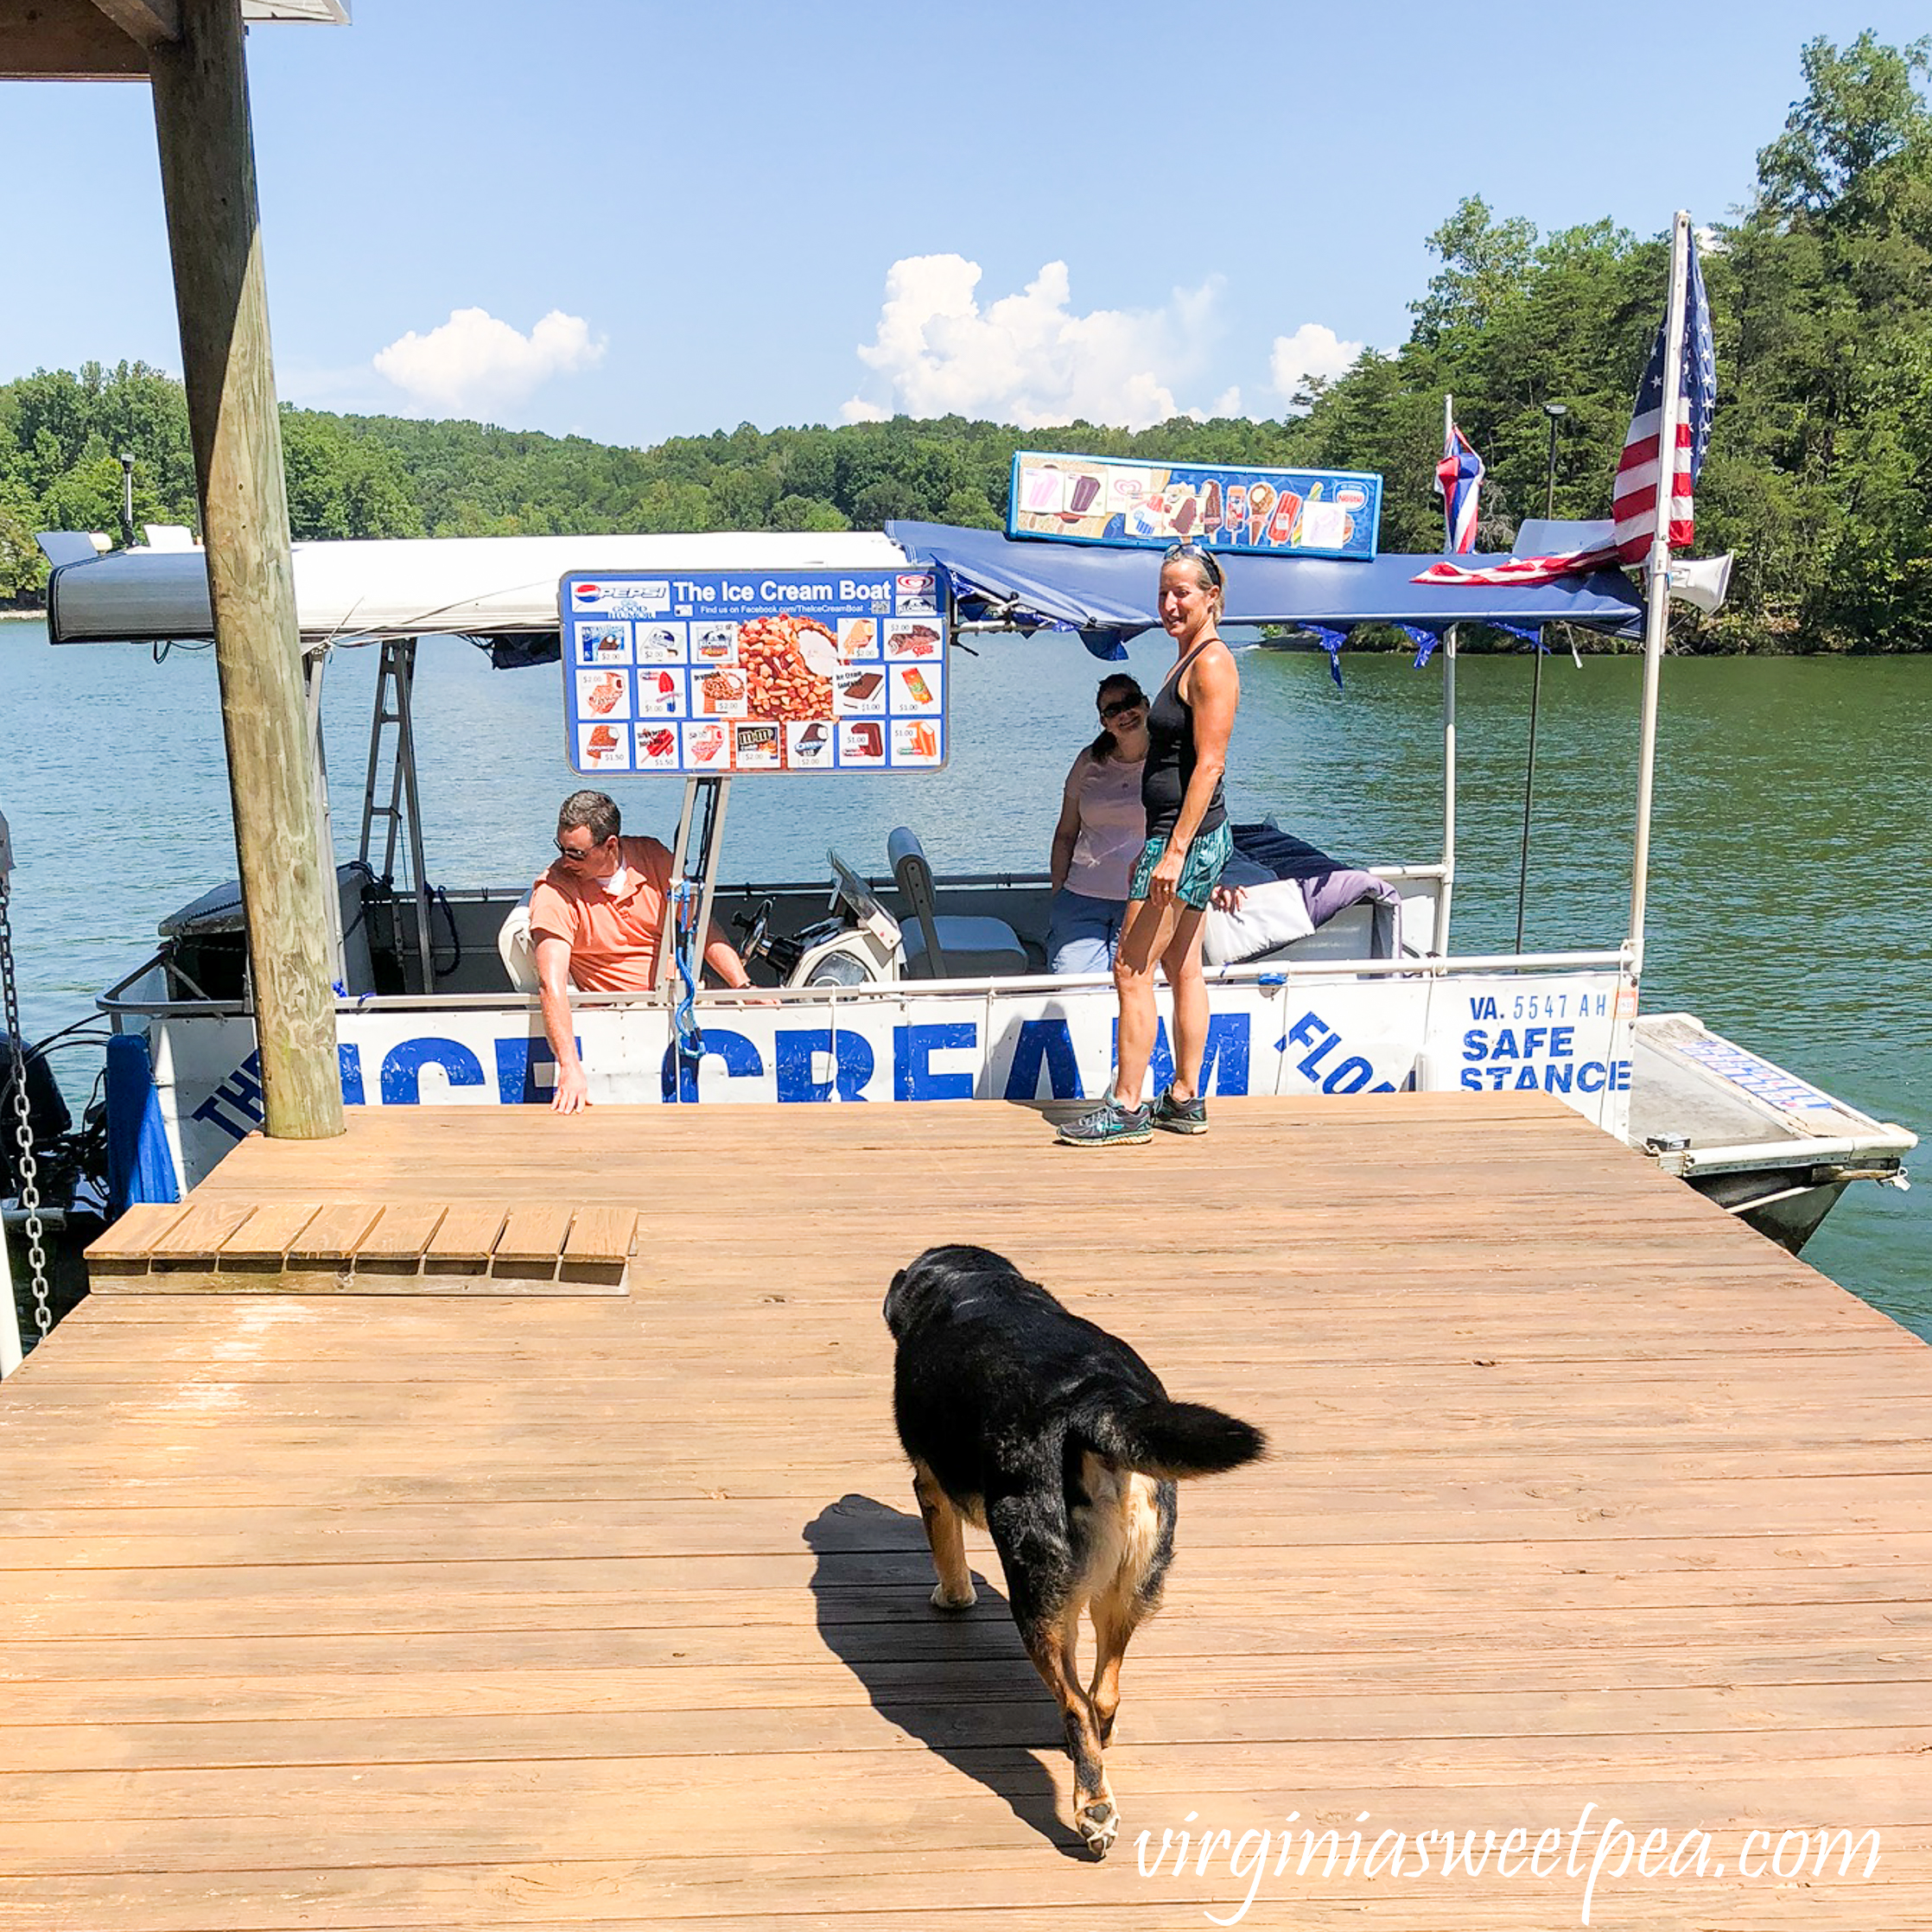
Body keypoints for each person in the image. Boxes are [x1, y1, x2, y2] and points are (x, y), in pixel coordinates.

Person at [1058, 543, 1239, 1146]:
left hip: (1186, 838)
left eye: (1182, 592)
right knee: (1182, 965)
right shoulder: (1185, 661)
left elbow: (1209, 766)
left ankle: (1128, 1106)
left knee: (1130, 968)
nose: (1169, 604)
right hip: (1181, 836)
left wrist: (1174, 848)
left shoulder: (1211, 665)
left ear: (1211, 596)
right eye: (1163, 592)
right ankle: (1185, 1098)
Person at [529, 790, 752, 1114]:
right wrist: (569, 1067)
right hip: (620, 1014)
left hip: (682, 997)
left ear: (611, 846)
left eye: (576, 853)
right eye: (561, 849)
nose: (566, 861)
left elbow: (701, 926)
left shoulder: (653, 858)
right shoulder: (554, 890)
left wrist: (742, 985)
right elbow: (551, 984)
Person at [1045, 673, 1149, 975]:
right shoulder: (1088, 761)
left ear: (1146, 704)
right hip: (1080, 897)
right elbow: (1065, 833)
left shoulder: (1168, 763)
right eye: (1112, 710)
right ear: (1104, 722)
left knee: (1131, 991)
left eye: (1130, 703)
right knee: (1072, 989)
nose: (1124, 714)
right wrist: (1059, 890)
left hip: (1143, 901)